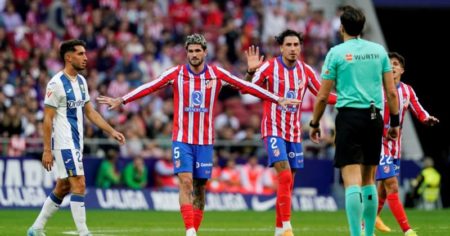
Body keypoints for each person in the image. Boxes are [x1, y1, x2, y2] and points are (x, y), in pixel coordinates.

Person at [97, 34, 300, 236]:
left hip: (205, 142)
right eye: (190, 51)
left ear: (204, 52)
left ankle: (195, 229)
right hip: (182, 139)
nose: (194, 54)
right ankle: (190, 232)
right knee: (185, 181)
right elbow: (150, 86)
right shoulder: (176, 73)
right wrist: (122, 99)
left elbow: (246, 86)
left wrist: (276, 99)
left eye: (197, 51)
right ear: (187, 53)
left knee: (200, 188)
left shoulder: (216, 74)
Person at [308, 5, 400, 236]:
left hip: (349, 117)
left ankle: (355, 235)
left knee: (351, 180)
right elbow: (391, 92)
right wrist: (395, 123)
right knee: (369, 179)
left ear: (341, 28)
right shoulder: (379, 51)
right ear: (362, 27)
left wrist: (315, 123)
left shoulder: (336, 53)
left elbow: (321, 95)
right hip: (374, 117)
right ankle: (368, 233)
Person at [27, 39, 126, 236]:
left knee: (63, 187)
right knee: (79, 183)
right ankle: (84, 232)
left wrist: (111, 131)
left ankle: (36, 229)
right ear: (68, 57)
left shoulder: (81, 82)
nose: (85, 57)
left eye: (85, 53)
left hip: (76, 142)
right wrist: (47, 150)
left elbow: (90, 112)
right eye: (80, 54)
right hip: (64, 143)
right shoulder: (56, 84)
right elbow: (47, 119)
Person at [245, 29, 336, 236]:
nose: (293, 49)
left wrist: (349, 99)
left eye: (296, 45)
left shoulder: (306, 70)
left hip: (294, 133)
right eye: (289, 45)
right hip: (273, 129)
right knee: (285, 176)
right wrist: (250, 72)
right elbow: (246, 90)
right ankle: (287, 227)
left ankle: (279, 230)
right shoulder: (269, 67)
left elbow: (323, 96)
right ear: (281, 47)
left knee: (289, 182)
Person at [372, 52, 439, 235]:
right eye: (388, 63)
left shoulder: (407, 90)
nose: (392, 66)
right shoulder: (376, 87)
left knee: (384, 191)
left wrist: (427, 118)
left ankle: (369, 220)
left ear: (402, 69)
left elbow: (418, 108)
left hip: (395, 146)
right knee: (392, 185)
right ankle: (407, 230)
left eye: (395, 64)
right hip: (378, 143)